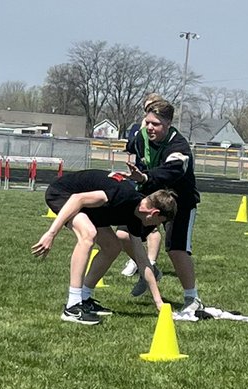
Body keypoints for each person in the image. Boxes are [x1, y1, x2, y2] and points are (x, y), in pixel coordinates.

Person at [32, 169, 177, 325]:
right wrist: (51, 233)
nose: (157, 227)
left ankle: (85, 298)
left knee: (113, 246)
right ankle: (72, 306)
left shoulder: (136, 216)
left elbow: (142, 260)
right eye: (159, 222)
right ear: (154, 213)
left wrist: (159, 302)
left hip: (93, 208)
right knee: (88, 235)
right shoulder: (123, 195)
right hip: (64, 194)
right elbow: (77, 198)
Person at [126, 97, 202, 321]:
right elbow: (133, 151)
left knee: (176, 249)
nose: (150, 127)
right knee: (122, 234)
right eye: (148, 122)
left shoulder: (179, 146)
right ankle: (149, 270)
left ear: (168, 124)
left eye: (156, 124)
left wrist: (147, 176)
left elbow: (173, 170)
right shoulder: (141, 138)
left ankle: (192, 298)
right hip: (152, 197)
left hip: (180, 202)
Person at [121, 93, 166, 281]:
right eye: (146, 109)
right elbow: (130, 148)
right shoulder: (139, 129)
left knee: (151, 224)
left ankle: (151, 263)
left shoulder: (163, 131)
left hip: (153, 180)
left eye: (152, 108)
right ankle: (138, 260)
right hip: (138, 178)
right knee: (129, 224)